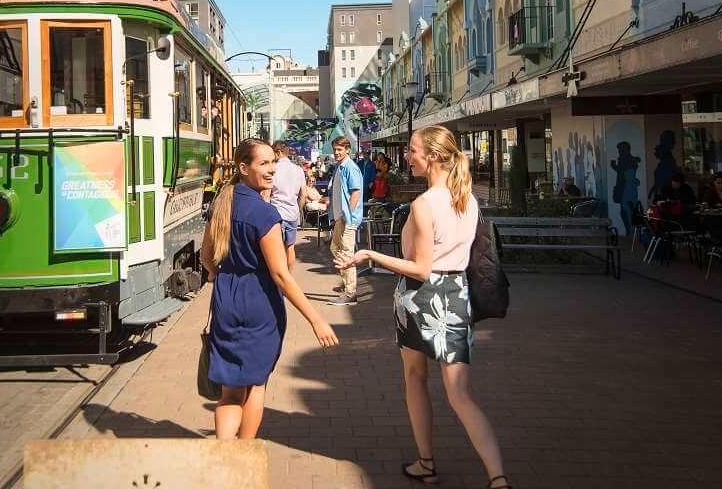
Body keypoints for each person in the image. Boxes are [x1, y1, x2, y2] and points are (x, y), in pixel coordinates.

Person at [336, 126, 510, 489]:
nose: (407, 156)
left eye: (413, 151)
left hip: (420, 297)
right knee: (460, 394)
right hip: (457, 296)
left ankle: (426, 463)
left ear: (431, 156)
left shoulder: (424, 204)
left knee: (415, 380)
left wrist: (369, 254)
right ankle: (498, 476)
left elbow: (420, 268)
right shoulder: (467, 199)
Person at [199, 139, 339, 440]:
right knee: (256, 385)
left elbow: (205, 257)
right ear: (243, 167)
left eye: (272, 163)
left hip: (226, 299)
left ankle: (224, 454)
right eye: (264, 164)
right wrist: (316, 318)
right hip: (258, 302)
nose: (272, 169)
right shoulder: (264, 215)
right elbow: (280, 274)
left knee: (230, 392)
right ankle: (243, 456)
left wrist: (215, 276)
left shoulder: (223, 203)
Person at [323, 136, 364, 306]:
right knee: (336, 248)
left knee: (346, 253)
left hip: (347, 218)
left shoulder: (350, 168)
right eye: (335, 150)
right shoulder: (339, 167)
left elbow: (356, 192)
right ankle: (347, 285)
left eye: (340, 149)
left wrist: (349, 215)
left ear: (347, 150)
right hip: (340, 217)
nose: (336, 153)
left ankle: (351, 292)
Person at [271, 141, 307, 270]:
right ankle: (289, 276)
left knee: (276, 249)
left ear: (278, 152)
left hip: (276, 213)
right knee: (290, 247)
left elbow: (266, 192)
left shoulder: (273, 169)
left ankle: (279, 281)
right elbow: (304, 194)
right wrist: (298, 209)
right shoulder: (298, 170)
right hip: (292, 213)